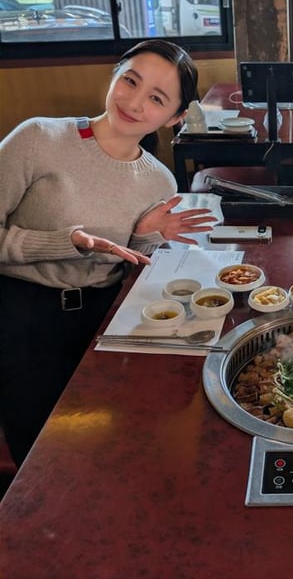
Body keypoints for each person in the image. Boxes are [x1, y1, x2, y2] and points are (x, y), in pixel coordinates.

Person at [0, 39, 217, 465]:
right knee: (40, 453)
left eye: (156, 98)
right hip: (22, 313)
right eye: (130, 81)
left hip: (104, 316)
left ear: (175, 118)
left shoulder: (159, 181)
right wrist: (65, 244)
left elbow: (129, 263)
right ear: (115, 76)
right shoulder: (38, 138)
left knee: (113, 440)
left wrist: (142, 236)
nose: (134, 103)